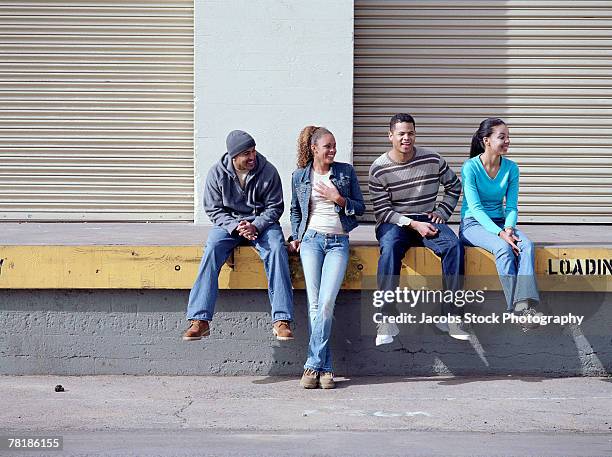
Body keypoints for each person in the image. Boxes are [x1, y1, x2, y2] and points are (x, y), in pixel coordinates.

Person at [183, 130, 294, 341]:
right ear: (234, 156)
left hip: (262, 224)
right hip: (229, 224)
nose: (252, 157)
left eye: (253, 151)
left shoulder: (268, 171)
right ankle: (200, 320)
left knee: (277, 249)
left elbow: (275, 207)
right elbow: (213, 210)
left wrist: (256, 226)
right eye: (246, 153)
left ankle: (282, 320)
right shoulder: (217, 173)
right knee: (212, 248)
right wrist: (235, 226)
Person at [368, 113, 468, 343]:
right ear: (390, 136)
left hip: (427, 217)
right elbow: (383, 212)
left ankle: (450, 316)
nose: (406, 138)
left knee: (454, 247)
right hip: (395, 221)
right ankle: (386, 318)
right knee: (390, 247)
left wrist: (441, 212)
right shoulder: (379, 169)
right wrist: (413, 224)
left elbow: (454, 186)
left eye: (410, 133)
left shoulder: (432, 159)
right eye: (401, 133)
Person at [288, 126, 365, 389]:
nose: (333, 150)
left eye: (334, 146)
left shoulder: (345, 172)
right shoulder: (300, 176)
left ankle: (312, 365)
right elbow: (295, 212)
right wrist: (296, 235)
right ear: (314, 148)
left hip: (338, 243)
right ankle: (326, 369)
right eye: (327, 146)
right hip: (311, 242)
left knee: (327, 302)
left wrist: (339, 199)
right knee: (314, 304)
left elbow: (361, 209)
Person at [459, 118, 541, 330]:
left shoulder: (511, 168)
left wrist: (509, 228)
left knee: (527, 245)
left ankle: (523, 306)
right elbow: (475, 209)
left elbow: (512, 206)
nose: (507, 141)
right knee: (503, 249)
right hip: (473, 224)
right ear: (486, 140)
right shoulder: (470, 168)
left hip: (501, 222)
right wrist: (500, 234)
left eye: (508, 137)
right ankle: (515, 309)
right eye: (502, 137)